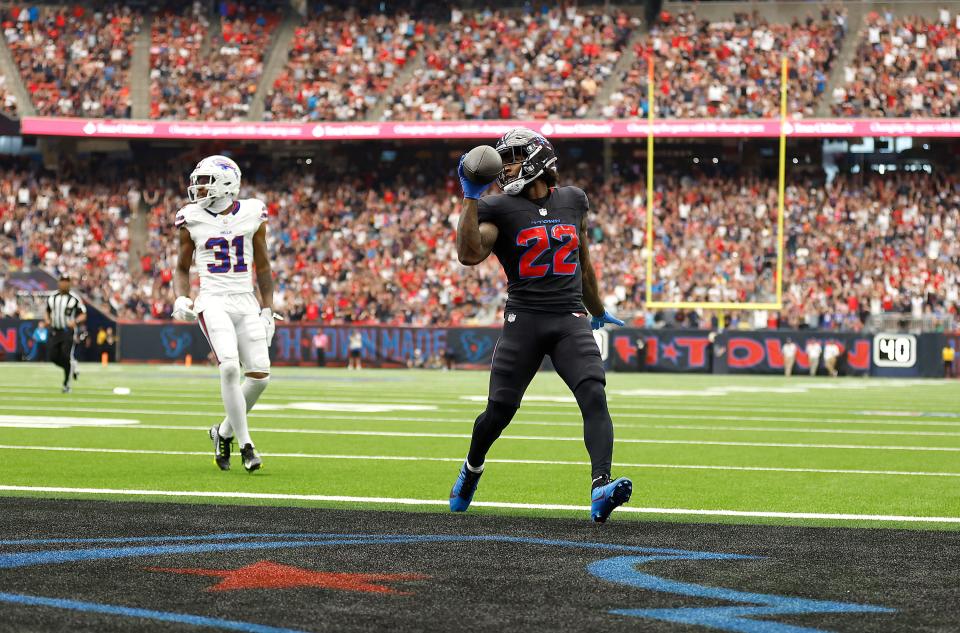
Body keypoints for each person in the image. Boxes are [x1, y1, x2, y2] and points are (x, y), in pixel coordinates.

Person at [450, 128, 632, 523]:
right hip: (524, 321)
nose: (506, 165)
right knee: (499, 411)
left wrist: (597, 309)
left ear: (538, 158)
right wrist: (470, 197)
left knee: (594, 393)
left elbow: (582, 261)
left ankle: (600, 486)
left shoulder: (573, 200)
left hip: (569, 319)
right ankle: (471, 469)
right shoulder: (498, 207)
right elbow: (468, 254)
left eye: (514, 156)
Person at [172, 155, 277, 473]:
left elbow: (263, 265)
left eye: (204, 182)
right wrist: (181, 296)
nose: (198, 188)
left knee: (259, 375)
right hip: (213, 300)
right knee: (230, 367)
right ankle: (247, 445)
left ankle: (223, 432)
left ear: (226, 183)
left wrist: (268, 308)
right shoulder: (191, 217)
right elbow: (181, 266)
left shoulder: (252, 212)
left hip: (245, 301)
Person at [46, 274, 86, 392]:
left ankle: (66, 385)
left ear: (69, 283)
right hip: (55, 330)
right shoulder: (52, 297)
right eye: (62, 281)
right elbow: (47, 311)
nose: (64, 283)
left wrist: (75, 321)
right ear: (59, 283)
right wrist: (47, 320)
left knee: (65, 355)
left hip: (68, 332)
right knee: (53, 357)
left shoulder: (74, 298)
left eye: (66, 281)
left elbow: (83, 314)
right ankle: (71, 367)